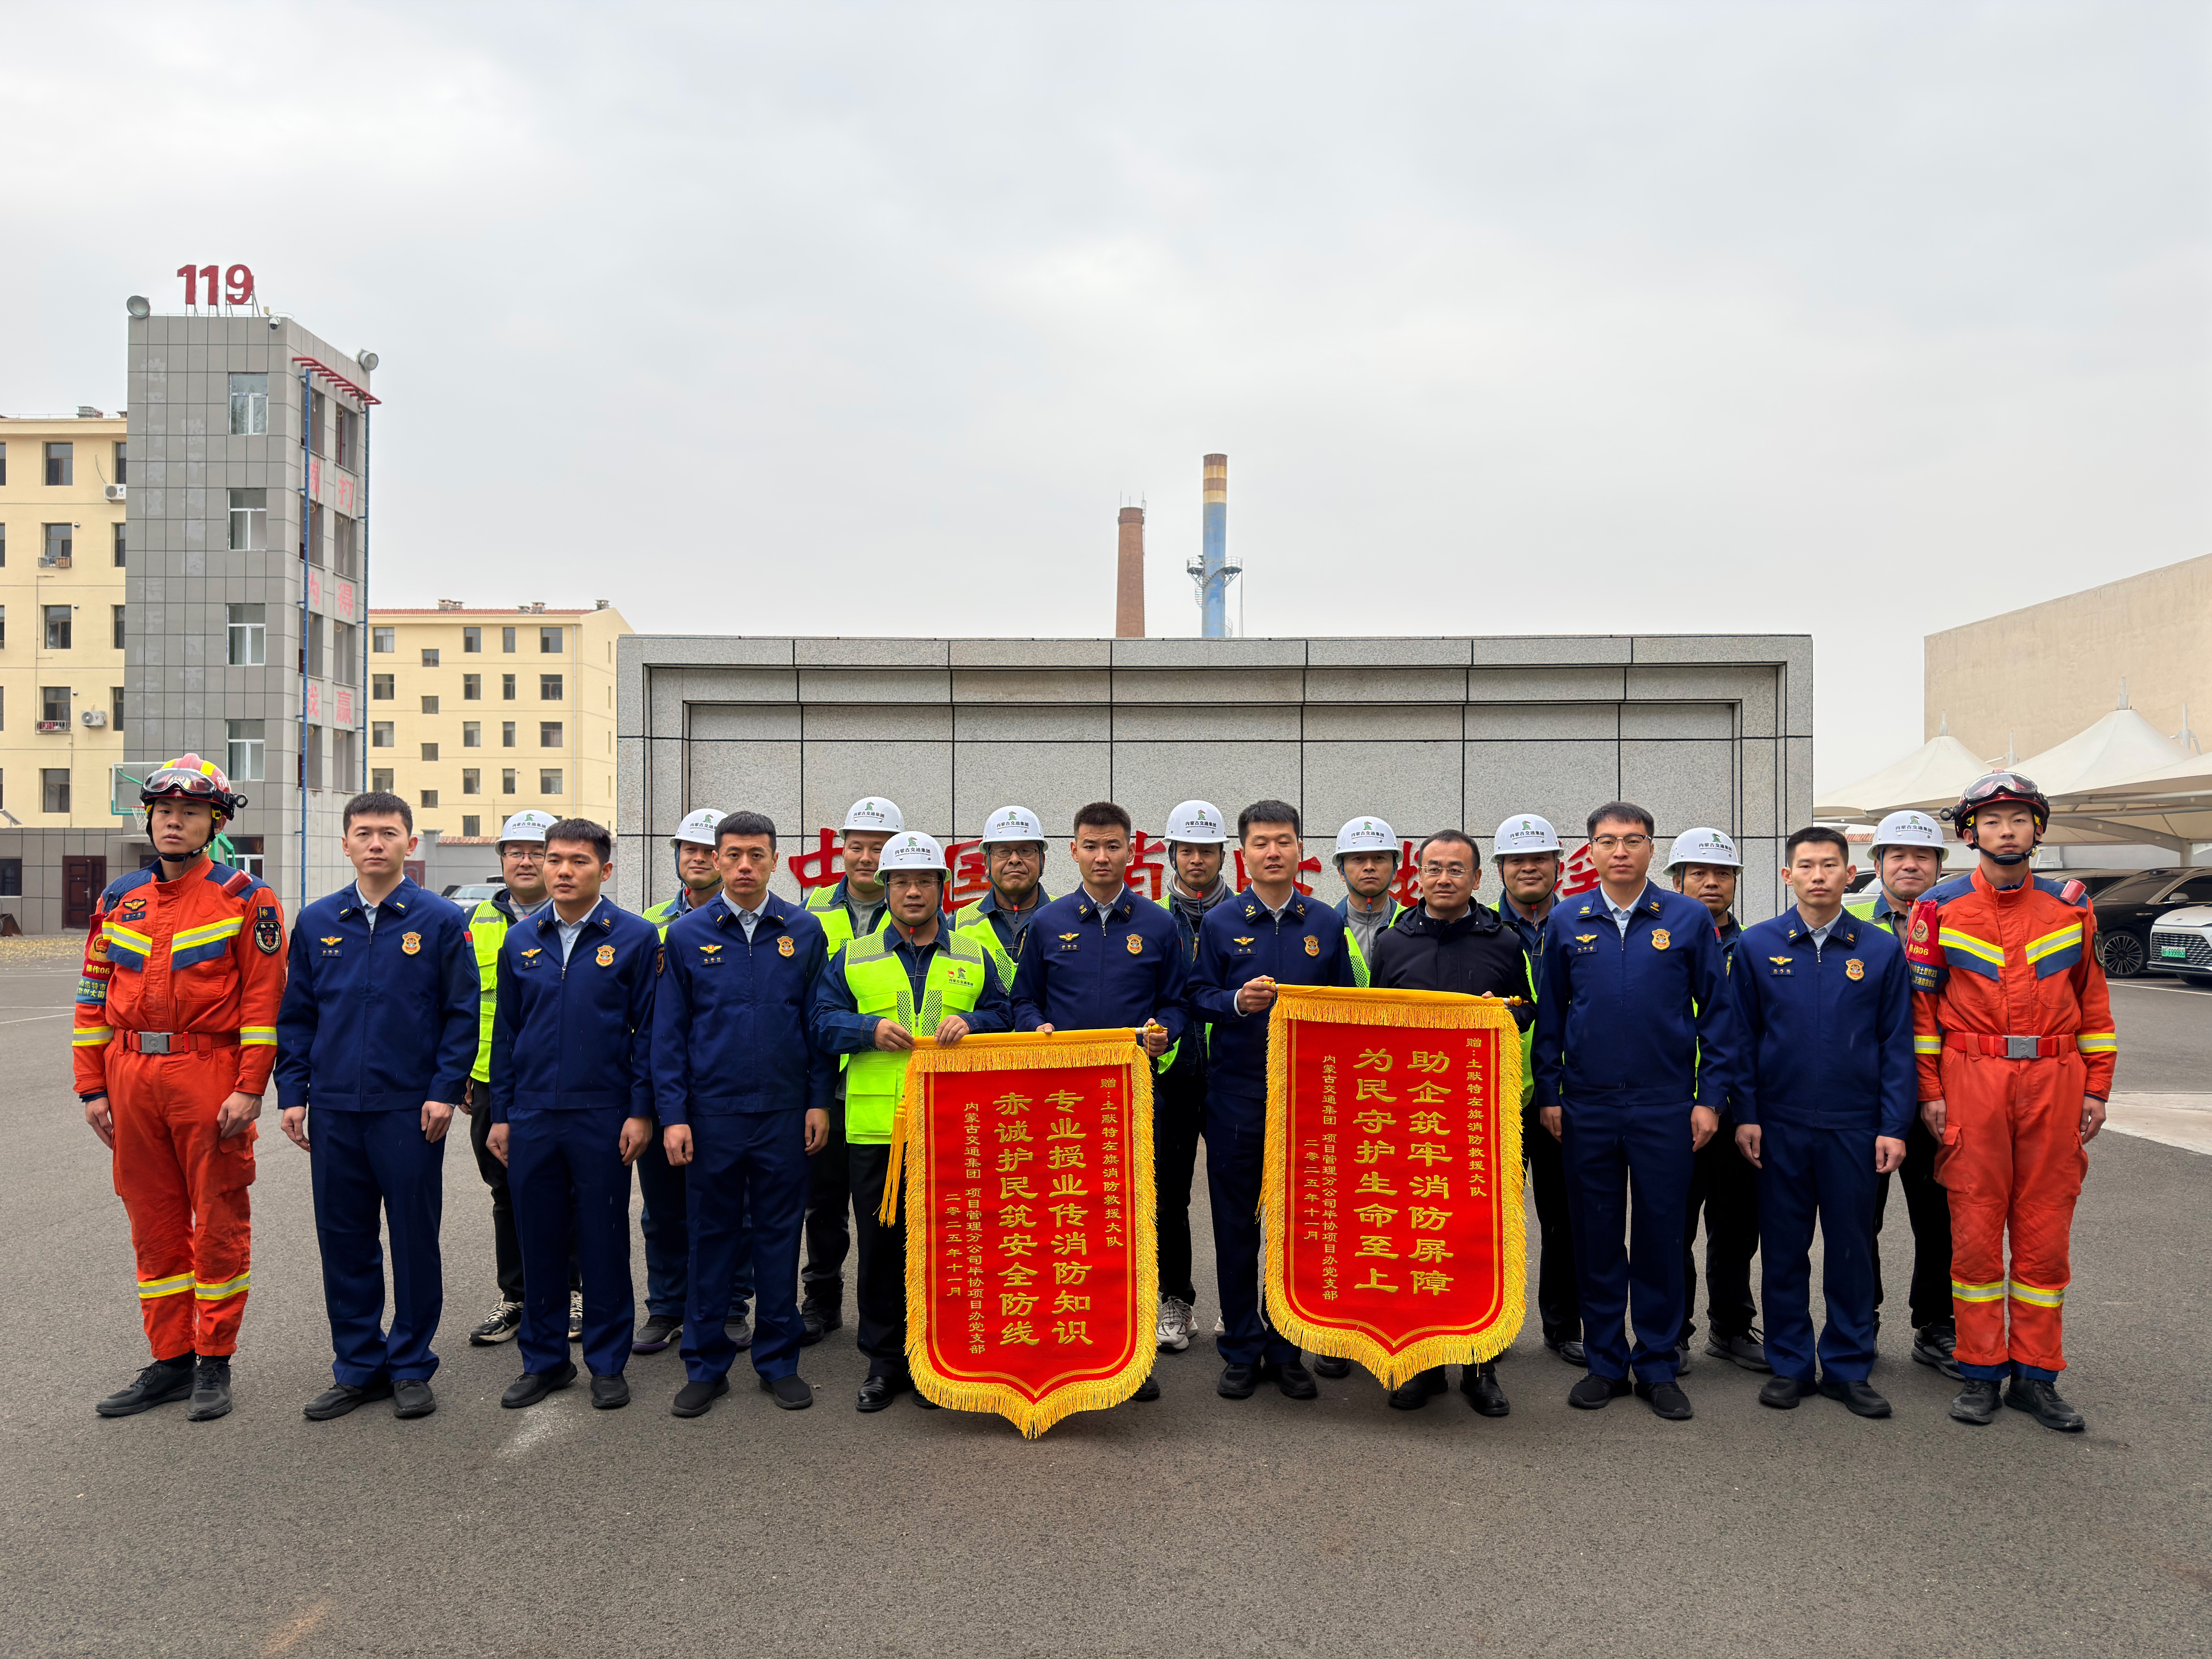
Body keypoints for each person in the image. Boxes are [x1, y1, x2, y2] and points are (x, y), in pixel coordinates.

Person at [77, 755, 285, 1424]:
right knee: (154, 1222)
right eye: (164, 811)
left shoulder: (247, 899)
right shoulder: (119, 899)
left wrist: (250, 1088)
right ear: (149, 818)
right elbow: (92, 996)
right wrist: (92, 1088)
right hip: (129, 1076)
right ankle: (170, 1360)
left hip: (209, 1074)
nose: (175, 822)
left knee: (217, 1217)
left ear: (215, 824)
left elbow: (264, 1002)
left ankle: (214, 1360)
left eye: (191, 812)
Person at [1909, 773, 2117, 1432]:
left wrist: (2097, 1086)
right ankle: (1980, 1373)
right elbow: (1922, 1014)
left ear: (2038, 830)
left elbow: (2093, 1002)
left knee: (2045, 1232)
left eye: (2019, 819)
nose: (2007, 830)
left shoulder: (2071, 906)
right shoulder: (1937, 908)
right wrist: (1931, 1092)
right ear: (1971, 834)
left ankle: (2037, 1377)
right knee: (1974, 1232)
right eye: (1993, 820)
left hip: (2056, 1079)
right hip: (1972, 1078)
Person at [275, 791, 478, 1421]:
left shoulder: (440, 920)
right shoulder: (317, 922)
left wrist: (444, 1090)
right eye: (363, 833)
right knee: (345, 1240)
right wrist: (293, 1095)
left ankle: (411, 1364)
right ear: (345, 844)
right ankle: (359, 1366)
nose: (375, 843)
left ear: (409, 844)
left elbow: (461, 1014)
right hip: (336, 1108)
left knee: (414, 1238)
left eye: (388, 833)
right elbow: (298, 1016)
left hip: (409, 1110)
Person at [1535, 801, 1736, 1421]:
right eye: (1607, 841)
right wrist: (1550, 1094)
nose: (1619, 851)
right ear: (1589, 851)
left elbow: (1718, 1015)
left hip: (1664, 1107)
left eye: (1633, 840)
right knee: (1595, 1238)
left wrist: (1709, 1099)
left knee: (1660, 1238)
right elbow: (1552, 1016)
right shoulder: (1567, 920)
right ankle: (1603, 1362)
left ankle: (1655, 1363)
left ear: (1652, 849)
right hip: (1587, 1106)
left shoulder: (1686, 918)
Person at [810, 832, 1012, 1411]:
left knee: (951, 1244)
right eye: (901, 882)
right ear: (886, 888)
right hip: (878, 1130)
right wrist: (866, 1030)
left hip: (954, 1126)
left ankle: (937, 1360)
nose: (913, 892)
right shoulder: (854, 956)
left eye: (925, 881)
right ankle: (884, 1362)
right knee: (881, 1247)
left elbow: (1008, 1014)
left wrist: (974, 1023)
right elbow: (820, 1021)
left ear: (943, 888)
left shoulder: (973, 953)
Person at [656, 811, 835, 1416]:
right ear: (716, 859)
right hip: (712, 1115)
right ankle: (706, 1365)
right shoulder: (686, 935)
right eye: (733, 854)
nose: (744, 866)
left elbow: (815, 1026)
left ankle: (778, 1361)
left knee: (779, 1237)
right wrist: (674, 1115)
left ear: (775, 861)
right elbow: (669, 1033)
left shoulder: (803, 930)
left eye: (756, 855)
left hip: (784, 1113)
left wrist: (817, 1101)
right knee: (711, 1238)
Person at [1732, 826, 1915, 1419]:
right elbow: (1741, 1039)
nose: (1818, 875)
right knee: (1783, 1250)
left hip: (1854, 1126)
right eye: (1806, 865)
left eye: (1830, 865)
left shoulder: (1880, 949)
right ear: (1787, 875)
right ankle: (1789, 1363)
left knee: (1851, 1250)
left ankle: (1847, 1365)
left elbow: (1897, 1044)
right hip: (1779, 1125)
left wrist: (1894, 1125)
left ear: (1849, 874)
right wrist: (1746, 1115)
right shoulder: (1758, 945)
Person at [1012, 801, 1188, 1401]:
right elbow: (1022, 1000)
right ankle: (1064, 1343)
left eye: (1113, 845)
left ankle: (1129, 1355)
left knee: (1128, 1223)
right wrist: (1035, 1027)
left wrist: (1165, 1033)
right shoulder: (1048, 923)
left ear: (1132, 851)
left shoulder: (1159, 925)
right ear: (1073, 851)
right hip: (1060, 1101)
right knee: (1064, 1220)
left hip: (1132, 1097)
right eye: (1090, 845)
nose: (1102, 856)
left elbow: (1177, 1003)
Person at [1187, 799, 1358, 1404]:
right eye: (1260, 842)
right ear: (1243, 854)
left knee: (1297, 1227)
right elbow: (1195, 996)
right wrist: (1236, 1002)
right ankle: (1241, 1346)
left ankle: (1287, 1349)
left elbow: (1347, 1008)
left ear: (1299, 849)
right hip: (1237, 1095)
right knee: (1236, 1226)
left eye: (1283, 841)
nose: (1273, 852)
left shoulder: (1325, 923)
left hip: (1307, 1098)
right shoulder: (1221, 922)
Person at [485, 819, 658, 1411]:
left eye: (578, 861)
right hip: (533, 1115)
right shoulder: (521, 939)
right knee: (539, 1243)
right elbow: (507, 1034)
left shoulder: (635, 937)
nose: (562, 870)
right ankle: (545, 1362)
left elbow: (648, 1034)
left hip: (602, 1113)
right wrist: (502, 1114)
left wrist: (640, 1111)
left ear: (604, 870)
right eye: (554, 859)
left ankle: (607, 1363)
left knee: (603, 1241)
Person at [1364, 829, 1536, 1417]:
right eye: (1433, 868)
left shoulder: (1503, 940)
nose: (1443, 878)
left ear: (1477, 879)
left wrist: (1504, 1011)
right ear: (1417, 876)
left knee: (1475, 1240)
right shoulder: (1393, 941)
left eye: (1456, 869)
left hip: (1479, 1118)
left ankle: (1479, 1367)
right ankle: (1421, 1364)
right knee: (1415, 1240)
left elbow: (1527, 1008)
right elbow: (1374, 1020)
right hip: (1411, 1119)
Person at [458, 809, 579, 1348]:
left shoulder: (578, 918)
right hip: (491, 1080)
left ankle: (573, 1292)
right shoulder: (474, 922)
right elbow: (458, 1002)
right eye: (515, 851)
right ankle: (517, 1296)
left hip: (563, 1081)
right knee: (505, 1190)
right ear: (502, 858)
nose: (526, 861)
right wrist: (461, 1071)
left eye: (537, 852)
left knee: (569, 1189)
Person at [634, 805, 752, 1359]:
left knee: (734, 1208)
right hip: (665, 1084)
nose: (699, 858)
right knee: (663, 1208)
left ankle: (730, 1305)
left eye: (709, 850)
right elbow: (639, 1013)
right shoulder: (648, 925)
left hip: (729, 1090)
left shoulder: (758, 922)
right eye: (690, 849)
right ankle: (667, 1305)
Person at [1846, 808, 1960, 1379]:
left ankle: (1936, 1324)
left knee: (1940, 1218)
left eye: (1922, 856)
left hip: (1944, 1094)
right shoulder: (1847, 918)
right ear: (1877, 863)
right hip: (1866, 1095)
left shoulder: (1962, 918)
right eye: (1897, 855)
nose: (1910, 865)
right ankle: (1858, 1320)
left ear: (1939, 865)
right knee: (1859, 1216)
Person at [800, 796, 901, 1346]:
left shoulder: (916, 909)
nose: (867, 857)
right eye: (857, 846)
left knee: (888, 1209)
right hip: (827, 1077)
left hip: (890, 1087)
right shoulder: (812, 911)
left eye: (879, 848)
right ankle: (821, 1297)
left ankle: (897, 1309)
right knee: (824, 1199)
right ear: (841, 850)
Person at [1666, 827, 1765, 1374]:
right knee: (1674, 1228)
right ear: (1676, 881)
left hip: (1738, 1109)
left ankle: (1730, 1326)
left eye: (1722, 873)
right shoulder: (1661, 944)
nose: (1711, 882)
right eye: (1698, 873)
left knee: (1736, 1227)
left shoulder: (1754, 948)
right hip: (1678, 1108)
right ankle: (1673, 1332)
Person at [1492, 813, 1581, 1367]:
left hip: (1565, 1094)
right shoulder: (1481, 929)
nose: (1528, 868)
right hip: (1491, 1096)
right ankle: (1487, 1323)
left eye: (1539, 859)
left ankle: (1563, 1324)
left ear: (1557, 864)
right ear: (1499, 868)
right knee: (1487, 1218)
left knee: (1563, 1215)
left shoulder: (1581, 923)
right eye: (1516, 860)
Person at [1153, 799, 1233, 1357]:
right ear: (1171, 855)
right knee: (1168, 1198)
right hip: (1171, 1080)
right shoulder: (1153, 922)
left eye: (1207, 850)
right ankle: (1175, 1299)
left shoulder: (1246, 918)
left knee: (1240, 1197)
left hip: (1234, 1078)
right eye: (1187, 850)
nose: (1197, 860)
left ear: (1224, 856)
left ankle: (1239, 1303)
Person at [951, 804, 1053, 990]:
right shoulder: (958, 925)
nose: (1014, 860)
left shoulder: (1066, 916)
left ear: (1042, 862)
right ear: (987, 864)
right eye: (1003, 851)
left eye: (1026, 851)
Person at [1332, 815, 1401, 973]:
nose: (1369, 867)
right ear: (1341, 872)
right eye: (1359, 859)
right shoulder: (1325, 923)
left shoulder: (1412, 923)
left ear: (1395, 870)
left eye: (1379, 858)